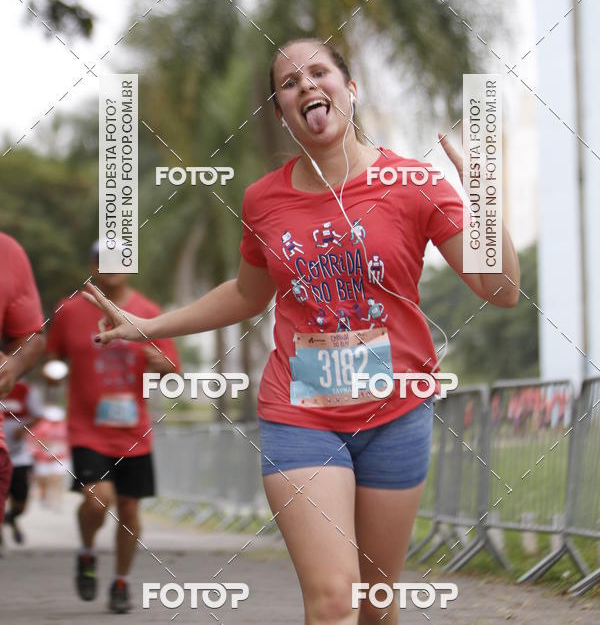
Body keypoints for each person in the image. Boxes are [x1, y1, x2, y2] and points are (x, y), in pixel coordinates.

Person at [85, 39, 520, 625]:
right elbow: (246, 293)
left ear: (350, 88)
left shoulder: (414, 183)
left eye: (320, 73)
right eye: (289, 83)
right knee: (334, 598)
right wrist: (149, 326)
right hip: (301, 416)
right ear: (281, 111)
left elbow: (501, 290)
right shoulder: (264, 200)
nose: (307, 86)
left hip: (395, 414)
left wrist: (486, 202)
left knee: (376, 601)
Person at [46, 242, 180, 614]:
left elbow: (171, 369)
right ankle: (87, 552)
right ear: (91, 265)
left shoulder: (149, 313)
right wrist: (51, 373)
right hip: (87, 427)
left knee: (131, 509)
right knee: (97, 498)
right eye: (103, 260)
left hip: (134, 430)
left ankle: (121, 581)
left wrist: (161, 364)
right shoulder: (69, 311)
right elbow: (53, 358)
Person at [0, 233, 46, 548]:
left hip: (15, 453)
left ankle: (12, 521)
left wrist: (13, 366)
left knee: (19, 499)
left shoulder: (8, 252)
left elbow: (31, 337)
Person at [2, 378, 44, 543]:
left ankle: (11, 518)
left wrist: (24, 429)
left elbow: (38, 415)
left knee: (20, 505)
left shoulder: (25, 388)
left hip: (19, 457)